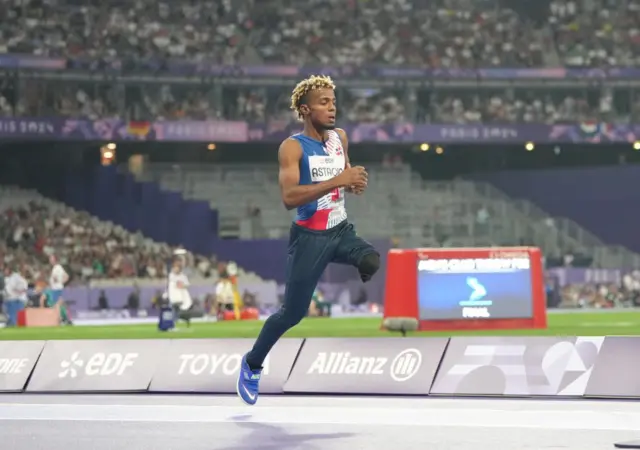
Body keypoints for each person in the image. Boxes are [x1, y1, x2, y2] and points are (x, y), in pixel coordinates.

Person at [236, 74, 380, 406]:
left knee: (371, 260)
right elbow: (289, 198)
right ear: (305, 109)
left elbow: (343, 174)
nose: (332, 108)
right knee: (292, 314)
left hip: (341, 230)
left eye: (333, 101)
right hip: (309, 238)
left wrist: (352, 182)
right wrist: (339, 179)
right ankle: (252, 363)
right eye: (324, 103)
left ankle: (355, 259)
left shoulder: (339, 138)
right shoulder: (292, 147)